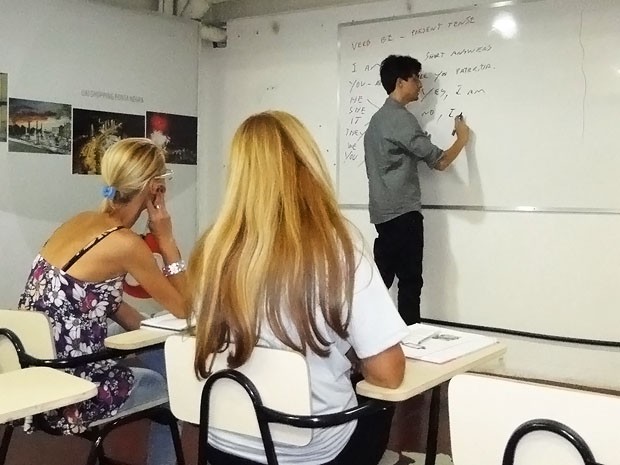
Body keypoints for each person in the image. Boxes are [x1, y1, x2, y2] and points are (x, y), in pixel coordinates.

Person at [187, 111, 409, 465]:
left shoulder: (211, 251)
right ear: (307, 166)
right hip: (313, 452)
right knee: (380, 401)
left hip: (221, 446)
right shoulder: (338, 249)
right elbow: (389, 374)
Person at [17, 137, 187, 465]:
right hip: (71, 395)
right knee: (173, 393)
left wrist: (156, 337)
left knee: (157, 355)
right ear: (154, 188)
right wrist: (166, 240)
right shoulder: (123, 243)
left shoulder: (80, 222)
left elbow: (106, 306)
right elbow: (186, 309)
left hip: (36, 377)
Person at [363, 54, 470, 325]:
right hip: (403, 216)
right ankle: (412, 350)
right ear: (400, 82)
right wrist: (463, 139)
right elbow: (441, 161)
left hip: (384, 215)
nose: (420, 85)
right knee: (410, 284)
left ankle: (360, 340)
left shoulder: (377, 120)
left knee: (378, 284)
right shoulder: (400, 120)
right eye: (416, 78)